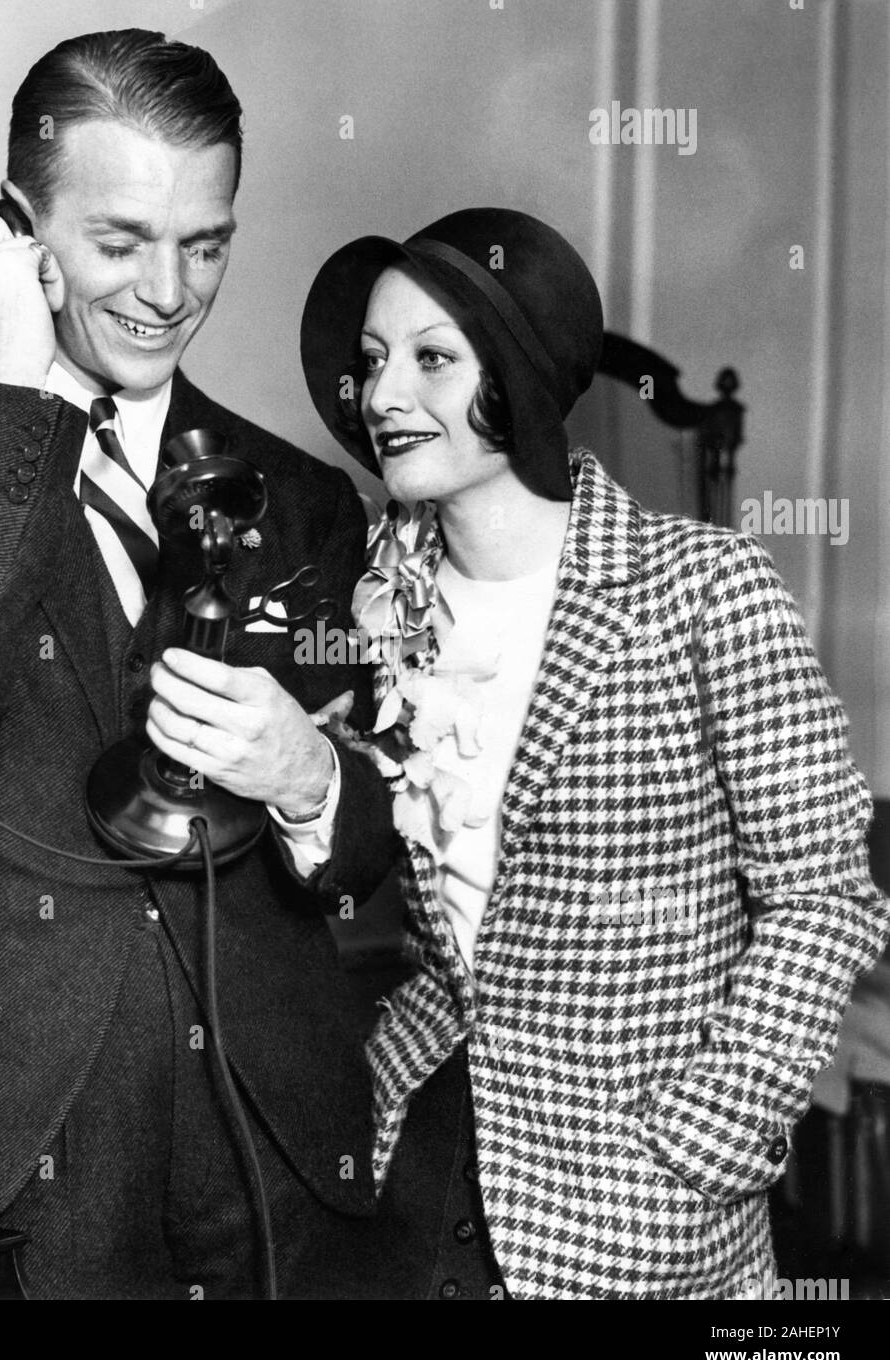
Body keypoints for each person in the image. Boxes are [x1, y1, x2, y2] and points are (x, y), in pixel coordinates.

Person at [0, 30, 397, 1300]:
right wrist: (16, 384)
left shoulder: (305, 497)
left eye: (207, 242)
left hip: (276, 1151)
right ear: (17, 230)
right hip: (8, 1152)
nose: (170, 288)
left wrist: (310, 780)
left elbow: (374, 852)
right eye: (121, 242)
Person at [298, 206, 890, 1299]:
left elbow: (825, 899)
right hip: (419, 1163)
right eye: (374, 361)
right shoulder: (372, 598)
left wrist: (709, 1132)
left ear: (516, 379)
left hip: (642, 1204)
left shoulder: (708, 588)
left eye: (432, 359)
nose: (382, 396)